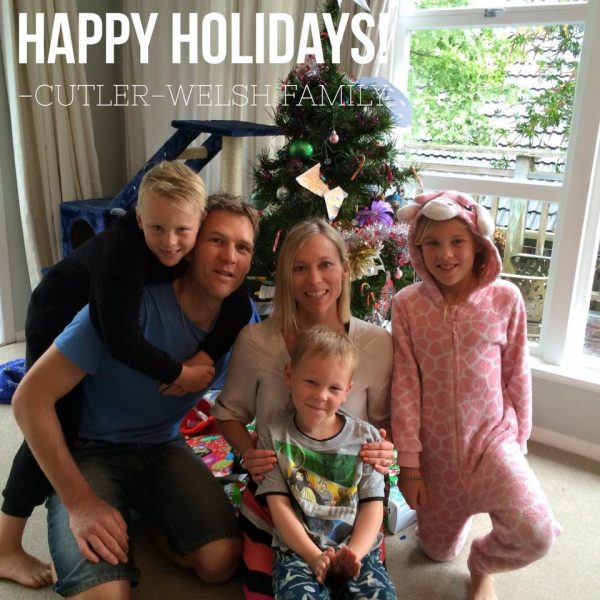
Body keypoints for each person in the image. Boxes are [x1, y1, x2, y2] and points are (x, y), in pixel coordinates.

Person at [0, 162, 252, 588]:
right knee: (58, 417)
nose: (229, 257)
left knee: (221, 562)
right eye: (217, 240)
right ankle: (8, 542)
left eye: (242, 247)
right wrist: (80, 501)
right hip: (72, 372)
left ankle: (148, 514)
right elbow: (32, 398)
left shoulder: (237, 312)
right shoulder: (123, 282)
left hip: (160, 446)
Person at [391, 190, 561, 600]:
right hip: (437, 459)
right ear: (418, 248)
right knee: (436, 553)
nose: (445, 254)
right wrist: (409, 466)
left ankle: (481, 564)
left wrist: (519, 443)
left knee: (536, 532)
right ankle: (463, 515)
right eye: (433, 243)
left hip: (492, 444)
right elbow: (405, 387)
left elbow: (517, 373)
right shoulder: (407, 305)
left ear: (478, 245)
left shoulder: (506, 299)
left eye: (457, 242)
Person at [213, 218, 395, 599]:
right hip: (280, 490)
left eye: (325, 264)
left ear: (345, 270)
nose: (314, 279)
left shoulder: (377, 343)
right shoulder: (257, 340)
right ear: (285, 276)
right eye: (300, 268)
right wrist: (249, 452)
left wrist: (385, 447)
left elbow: (385, 422)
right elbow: (228, 413)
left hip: (350, 493)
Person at [257, 325, 397, 600]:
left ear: (347, 391)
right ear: (290, 376)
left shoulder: (366, 437)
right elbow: (279, 507)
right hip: (298, 552)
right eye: (311, 382)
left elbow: (372, 506)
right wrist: (314, 557)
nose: (321, 395)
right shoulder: (273, 435)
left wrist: (354, 553)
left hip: (358, 549)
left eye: (334, 388)